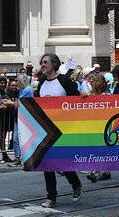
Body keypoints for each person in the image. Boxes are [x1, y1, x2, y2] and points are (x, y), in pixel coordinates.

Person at [37, 53, 83, 208]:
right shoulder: (42, 82)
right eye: (41, 62)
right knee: (47, 164)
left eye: (45, 62)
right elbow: (37, 104)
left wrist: (82, 96)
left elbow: (76, 100)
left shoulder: (63, 81)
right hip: (46, 129)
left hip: (64, 129)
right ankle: (51, 197)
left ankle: (75, 184)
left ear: (54, 64)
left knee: (62, 163)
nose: (42, 65)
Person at [87, 74, 114, 183]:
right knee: (96, 148)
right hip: (94, 125)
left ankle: (101, 171)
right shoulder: (91, 95)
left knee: (102, 149)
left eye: (92, 82)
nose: (90, 84)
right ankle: (96, 171)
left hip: (105, 126)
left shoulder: (107, 95)